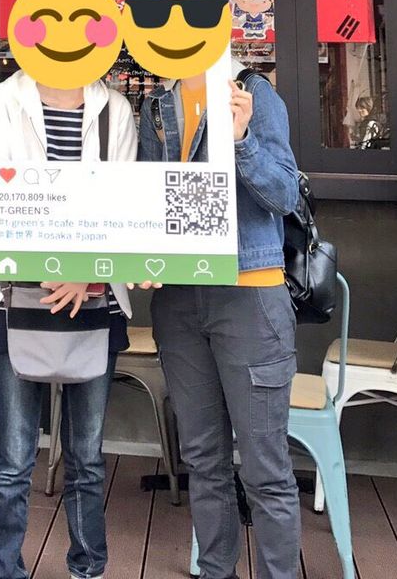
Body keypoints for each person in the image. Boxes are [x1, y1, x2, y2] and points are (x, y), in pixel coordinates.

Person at [0, 66, 137, 579]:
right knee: (14, 456)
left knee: (86, 456)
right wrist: (52, 267)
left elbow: (125, 203)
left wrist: (86, 272)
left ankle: (88, 567)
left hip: (96, 300)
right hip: (14, 297)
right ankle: (5, 571)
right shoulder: (2, 101)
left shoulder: (115, 109)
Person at [138, 69, 301, 579]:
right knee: (203, 461)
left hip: (249, 291)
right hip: (178, 300)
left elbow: (285, 195)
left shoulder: (251, 91)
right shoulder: (155, 107)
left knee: (265, 469)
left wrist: (241, 140)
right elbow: (148, 200)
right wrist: (140, 254)